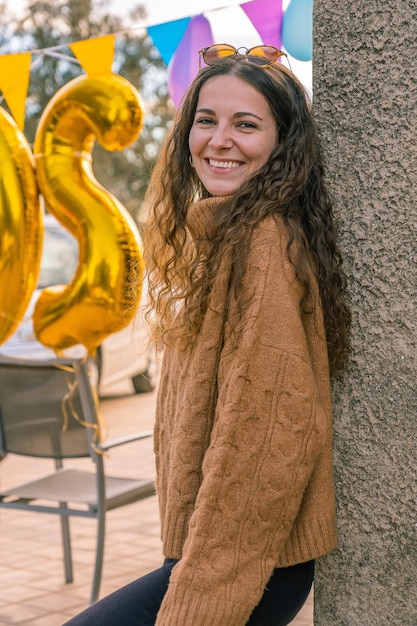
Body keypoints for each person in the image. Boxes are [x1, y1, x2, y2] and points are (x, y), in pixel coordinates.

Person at [65, 44, 351, 626]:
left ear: (282, 142)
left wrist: (202, 596)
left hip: (244, 566)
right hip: (218, 556)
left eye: (246, 125)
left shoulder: (262, 244)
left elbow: (266, 437)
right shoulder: (223, 234)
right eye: (206, 120)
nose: (219, 140)